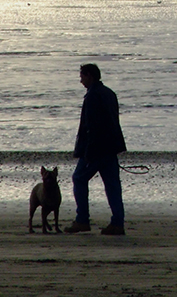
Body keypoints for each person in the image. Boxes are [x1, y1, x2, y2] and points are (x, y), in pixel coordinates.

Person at [64, 63, 127, 235]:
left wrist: (88, 151)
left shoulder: (93, 96)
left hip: (96, 148)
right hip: (110, 147)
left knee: (79, 178)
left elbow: (91, 126)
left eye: (82, 76)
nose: (80, 80)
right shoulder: (109, 93)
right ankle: (118, 222)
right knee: (113, 185)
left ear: (90, 76)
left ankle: (82, 220)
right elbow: (113, 122)